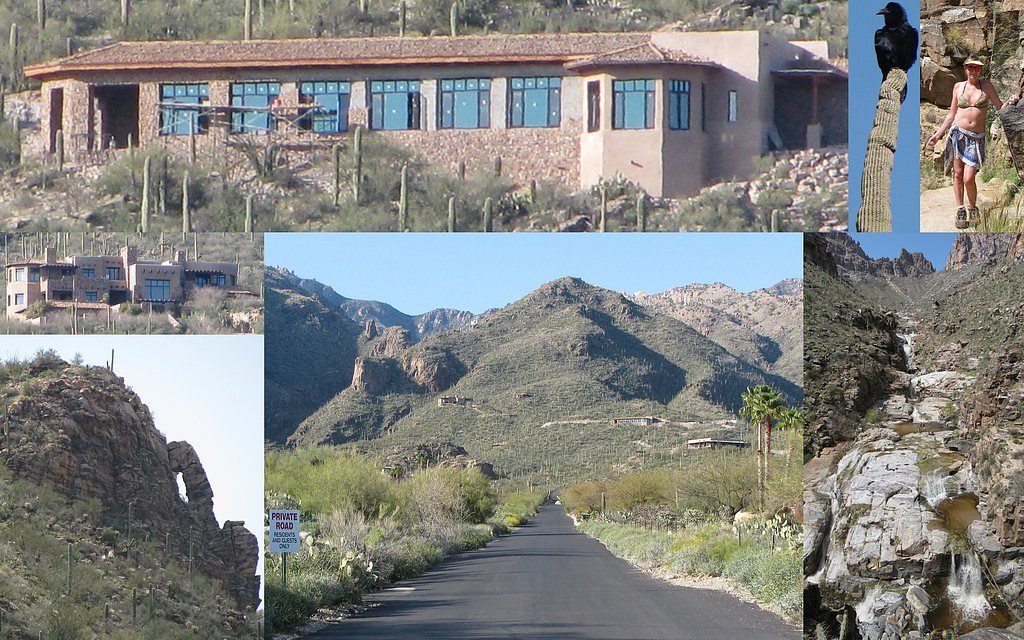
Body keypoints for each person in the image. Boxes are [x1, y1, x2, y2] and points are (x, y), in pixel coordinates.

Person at [927, 59, 1004, 228]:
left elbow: (1000, 107)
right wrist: (938, 135)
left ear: (981, 70)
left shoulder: (987, 87)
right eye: (970, 67)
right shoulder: (958, 87)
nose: (973, 71)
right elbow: (951, 114)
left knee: (969, 177)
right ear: (966, 69)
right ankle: (960, 209)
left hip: (976, 139)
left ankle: (972, 207)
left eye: (977, 68)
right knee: (957, 174)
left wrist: (1012, 101)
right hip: (958, 134)